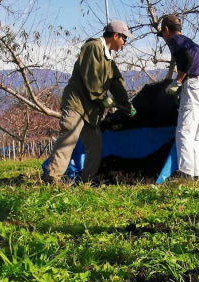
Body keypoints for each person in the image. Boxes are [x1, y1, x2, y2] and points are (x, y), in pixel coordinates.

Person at [44, 20, 136, 184]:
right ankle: (52, 178)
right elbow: (91, 78)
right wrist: (102, 98)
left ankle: (87, 180)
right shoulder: (93, 47)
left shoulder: (109, 61)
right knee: (69, 139)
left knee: (95, 144)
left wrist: (127, 105)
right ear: (115, 35)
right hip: (76, 104)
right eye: (124, 39)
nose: (124, 43)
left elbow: (117, 83)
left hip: (90, 111)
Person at [158, 15, 199, 182]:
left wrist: (178, 81)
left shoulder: (175, 40)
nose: (164, 39)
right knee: (195, 135)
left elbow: (187, 61)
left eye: (163, 34)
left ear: (166, 30)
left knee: (184, 131)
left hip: (194, 85)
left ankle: (185, 173)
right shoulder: (190, 42)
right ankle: (195, 173)